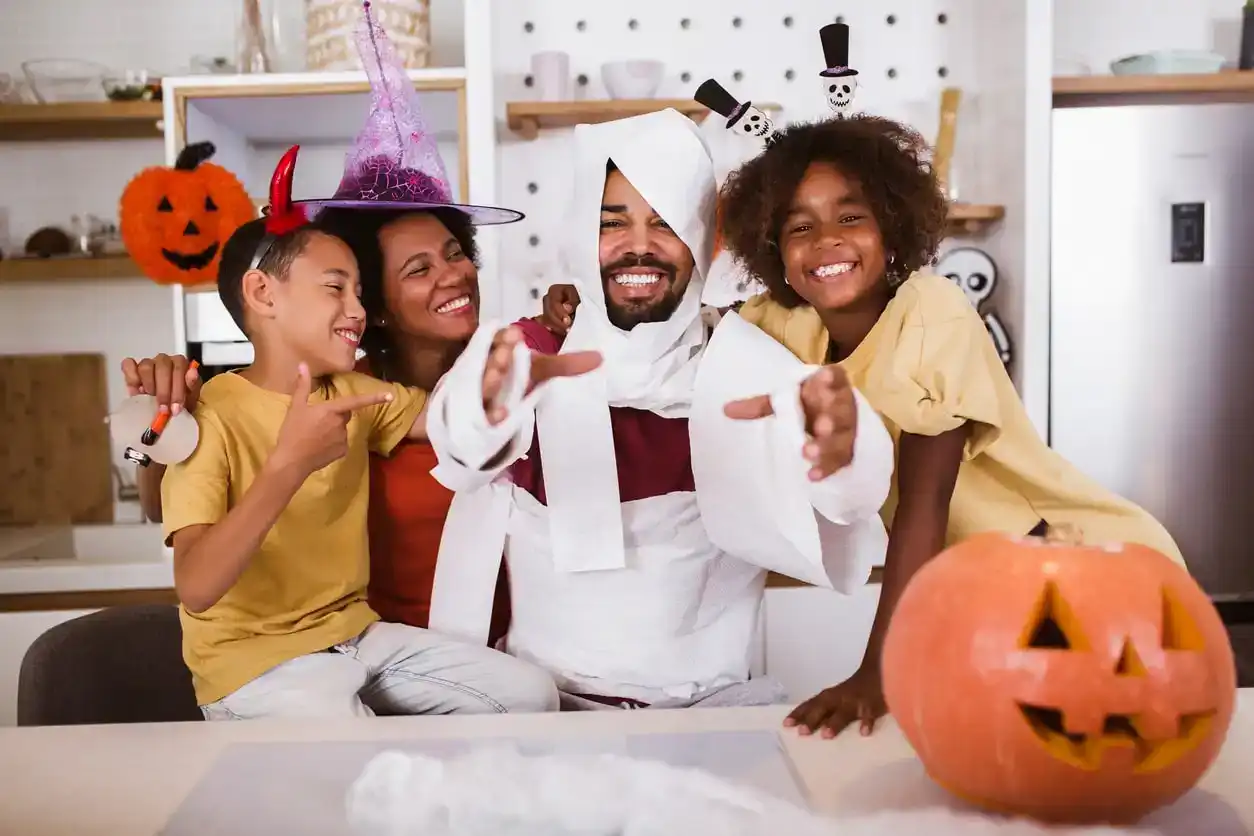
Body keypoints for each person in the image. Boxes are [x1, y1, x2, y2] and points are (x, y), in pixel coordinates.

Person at [149, 4, 600, 721]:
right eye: (340, 288)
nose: (353, 309)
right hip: (259, 663)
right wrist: (277, 458)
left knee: (528, 696)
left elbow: (454, 419)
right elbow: (196, 582)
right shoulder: (215, 412)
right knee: (348, 742)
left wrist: (529, 357)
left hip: (358, 640)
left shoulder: (357, 393)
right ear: (263, 295)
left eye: (455, 254)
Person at [705, 114, 1183, 737]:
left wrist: (881, 669)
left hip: (1077, 567)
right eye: (801, 226)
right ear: (774, 252)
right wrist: (567, 305)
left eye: (851, 217)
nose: (827, 241)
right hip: (977, 591)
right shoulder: (790, 324)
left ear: (892, 226)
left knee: (1101, 773)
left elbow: (924, 503)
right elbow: (689, 320)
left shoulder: (932, 312)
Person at [422, 107, 897, 711]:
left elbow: (848, 501)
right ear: (578, 234)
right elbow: (459, 447)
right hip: (541, 715)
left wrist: (845, 451)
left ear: (704, 240)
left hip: (708, 717)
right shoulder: (531, 352)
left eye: (666, 223)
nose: (639, 248)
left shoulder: (743, 368)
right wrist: (483, 410)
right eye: (612, 223)